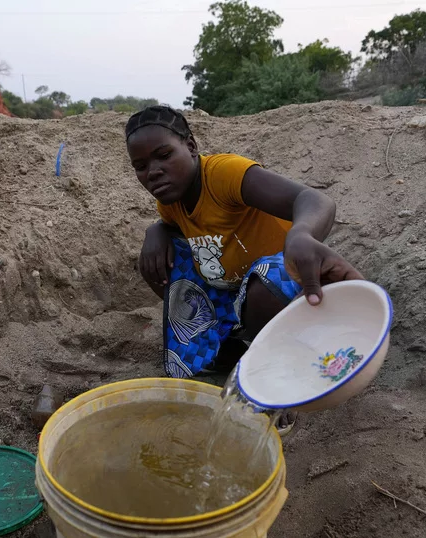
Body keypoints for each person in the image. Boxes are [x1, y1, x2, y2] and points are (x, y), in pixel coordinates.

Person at [125, 106, 363, 431]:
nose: (153, 171)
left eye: (164, 155)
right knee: (157, 261)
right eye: (141, 166)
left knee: (264, 287)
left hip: (287, 287)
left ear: (191, 147)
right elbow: (172, 226)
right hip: (233, 290)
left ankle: (278, 377)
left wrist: (301, 234)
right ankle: (234, 346)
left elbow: (314, 200)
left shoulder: (225, 174)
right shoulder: (170, 200)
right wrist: (157, 231)